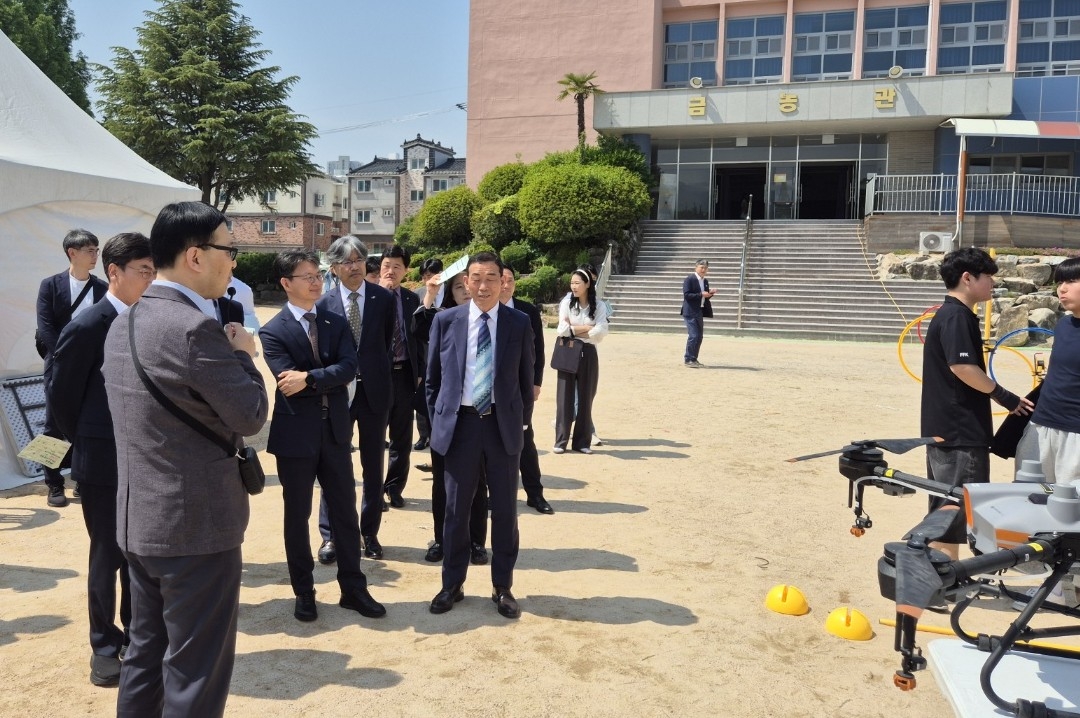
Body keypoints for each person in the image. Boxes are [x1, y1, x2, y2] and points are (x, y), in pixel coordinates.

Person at [101, 201, 268, 717]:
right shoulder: (194, 329)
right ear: (196, 256)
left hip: (139, 519)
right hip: (196, 528)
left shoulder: (125, 320)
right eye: (229, 249)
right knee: (195, 673)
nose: (233, 262)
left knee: (145, 656)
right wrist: (245, 355)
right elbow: (250, 415)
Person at [46, 232, 154, 687]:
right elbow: (61, 396)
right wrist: (86, 443)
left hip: (145, 458)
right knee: (107, 554)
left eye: (153, 271)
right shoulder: (89, 325)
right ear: (115, 272)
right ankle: (103, 645)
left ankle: (138, 634)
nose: (151, 280)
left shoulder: (148, 319)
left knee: (140, 554)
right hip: (102, 462)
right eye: (143, 271)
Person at [259, 250, 385, 622]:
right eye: (307, 277)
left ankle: (353, 588)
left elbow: (349, 367)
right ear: (286, 283)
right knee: (297, 516)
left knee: (344, 512)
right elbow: (287, 382)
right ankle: (304, 591)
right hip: (295, 436)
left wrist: (311, 377)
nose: (317, 282)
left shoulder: (335, 321)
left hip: (335, 432)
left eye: (318, 275)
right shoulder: (273, 330)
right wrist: (320, 378)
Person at [426, 252, 535, 618]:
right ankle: (452, 584)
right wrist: (440, 423)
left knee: (504, 510)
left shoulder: (519, 322)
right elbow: (432, 380)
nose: (484, 285)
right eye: (477, 278)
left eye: (492, 278)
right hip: (461, 426)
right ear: (466, 282)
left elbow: (525, 382)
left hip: (502, 427)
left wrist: (519, 423)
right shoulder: (446, 321)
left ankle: (502, 586)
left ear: (503, 282)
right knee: (455, 510)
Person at [921, 247, 1033, 560]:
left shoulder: (950, 314)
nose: (993, 283)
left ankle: (938, 571)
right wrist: (1006, 397)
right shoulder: (957, 316)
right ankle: (946, 575)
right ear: (968, 278)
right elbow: (963, 367)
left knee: (945, 505)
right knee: (955, 510)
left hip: (944, 429)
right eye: (989, 277)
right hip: (960, 432)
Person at [313, 236, 394, 563]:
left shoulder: (382, 298)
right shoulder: (323, 304)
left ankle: (369, 532)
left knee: (373, 466)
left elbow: (385, 342)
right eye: (347, 261)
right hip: (337, 395)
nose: (355, 266)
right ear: (334, 267)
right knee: (333, 465)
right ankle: (331, 535)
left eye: (359, 259)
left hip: (374, 393)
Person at [412, 271, 490, 564]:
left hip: (480, 416)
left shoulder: (492, 321)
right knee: (442, 483)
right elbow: (431, 373)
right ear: (453, 293)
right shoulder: (444, 320)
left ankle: (476, 542)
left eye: (469, 285)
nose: (467, 291)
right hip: (447, 418)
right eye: (459, 287)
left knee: (478, 482)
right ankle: (441, 540)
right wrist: (437, 418)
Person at [36, 228, 108, 507]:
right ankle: (53, 483)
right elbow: (45, 327)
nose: (95, 255)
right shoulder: (50, 285)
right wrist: (64, 357)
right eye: (90, 250)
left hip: (93, 366)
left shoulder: (102, 288)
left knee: (88, 420)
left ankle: (81, 478)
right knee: (53, 424)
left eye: (96, 250)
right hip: (58, 363)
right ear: (72, 253)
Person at [1015, 256, 1080, 484]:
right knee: (1030, 492)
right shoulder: (1063, 325)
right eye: (1060, 282)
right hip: (1041, 425)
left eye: (1071, 281)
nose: (1062, 289)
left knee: (1069, 501)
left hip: (1075, 433)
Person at [501, 267, 553, 514]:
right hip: (488, 389)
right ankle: (493, 494)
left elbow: (538, 350)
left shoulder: (527, 311)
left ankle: (535, 494)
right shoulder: (482, 309)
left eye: (510, 280)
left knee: (524, 440)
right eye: (502, 280)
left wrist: (536, 382)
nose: (506, 285)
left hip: (519, 387)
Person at [379, 245, 422, 512]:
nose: (391, 271)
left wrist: (420, 373)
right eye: (387, 265)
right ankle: (374, 490)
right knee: (375, 437)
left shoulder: (411, 299)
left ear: (406, 270)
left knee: (402, 437)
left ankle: (394, 487)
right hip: (377, 377)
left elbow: (418, 338)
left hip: (405, 374)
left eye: (397, 266)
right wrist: (383, 294)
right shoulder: (370, 296)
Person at [554, 268, 609, 454]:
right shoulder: (567, 302)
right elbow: (562, 330)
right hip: (568, 351)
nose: (574, 286)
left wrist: (574, 329)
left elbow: (600, 332)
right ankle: (560, 441)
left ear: (587, 284)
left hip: (588, 353)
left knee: (586, 398)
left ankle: (582, 442)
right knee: (564, 398)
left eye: (577, 283)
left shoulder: (599, 305)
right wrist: (587, 327)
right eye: (572, 283)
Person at [413, 257, 445, 451]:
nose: (428, 280)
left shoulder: (453, 292)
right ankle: (423, 435)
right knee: (424, 396)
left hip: (448, 353)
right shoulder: (418, 294)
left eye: (431, 275)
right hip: (425, 352)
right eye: (424, 276)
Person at [680, 259, 715, 368]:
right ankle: (688, 359)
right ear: (696, 267)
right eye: (701, 267)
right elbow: (687, 295)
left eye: (705, 268)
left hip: (699, 310)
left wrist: (710, 294)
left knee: (699, 336)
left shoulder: (705, 281)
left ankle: (694, 359)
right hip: (690, 311)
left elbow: (704, 297)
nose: (703, 270)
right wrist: (701, 294)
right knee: (694, 335)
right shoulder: (689, 279)